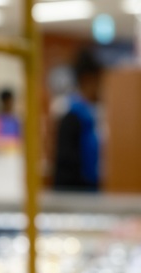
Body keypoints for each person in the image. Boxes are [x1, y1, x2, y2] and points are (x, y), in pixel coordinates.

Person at [52, 49, 102, 191]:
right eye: (97, 82)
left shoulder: (91, 113)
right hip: (77, 192)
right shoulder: (71, 115)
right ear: (88, 80)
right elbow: (65, 164)